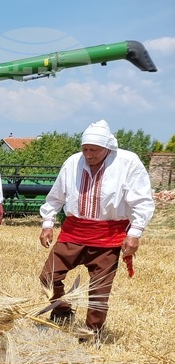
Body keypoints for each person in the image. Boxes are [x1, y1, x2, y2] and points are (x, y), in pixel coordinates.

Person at [38, 120, 155, 338]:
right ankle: (62, 310)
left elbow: (142, 200)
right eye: (85, 149)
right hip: (74, 232)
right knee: (48, 275)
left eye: (94, 150)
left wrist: (135, 232)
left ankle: (92, 331)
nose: (88, 154)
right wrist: (47, 223)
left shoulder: (128, 162)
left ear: (108, 148)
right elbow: (55, 197)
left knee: (99, 290)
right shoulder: (73, 162)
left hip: (108, 236)